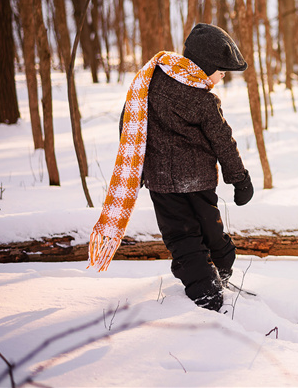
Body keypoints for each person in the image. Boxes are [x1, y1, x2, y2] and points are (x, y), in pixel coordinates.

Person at [88, 23, 253, 313]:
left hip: (162, 182)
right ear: (205, 67)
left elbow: (129, 122)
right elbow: (223, 142)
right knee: (207, 226)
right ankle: (213, 281)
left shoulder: (149, 83)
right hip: (198, 181)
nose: (223, 76)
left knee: (181, 236)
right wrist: (239, 178)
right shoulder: (204, 100)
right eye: (221, 70)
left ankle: (207, 280)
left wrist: (136, 168)